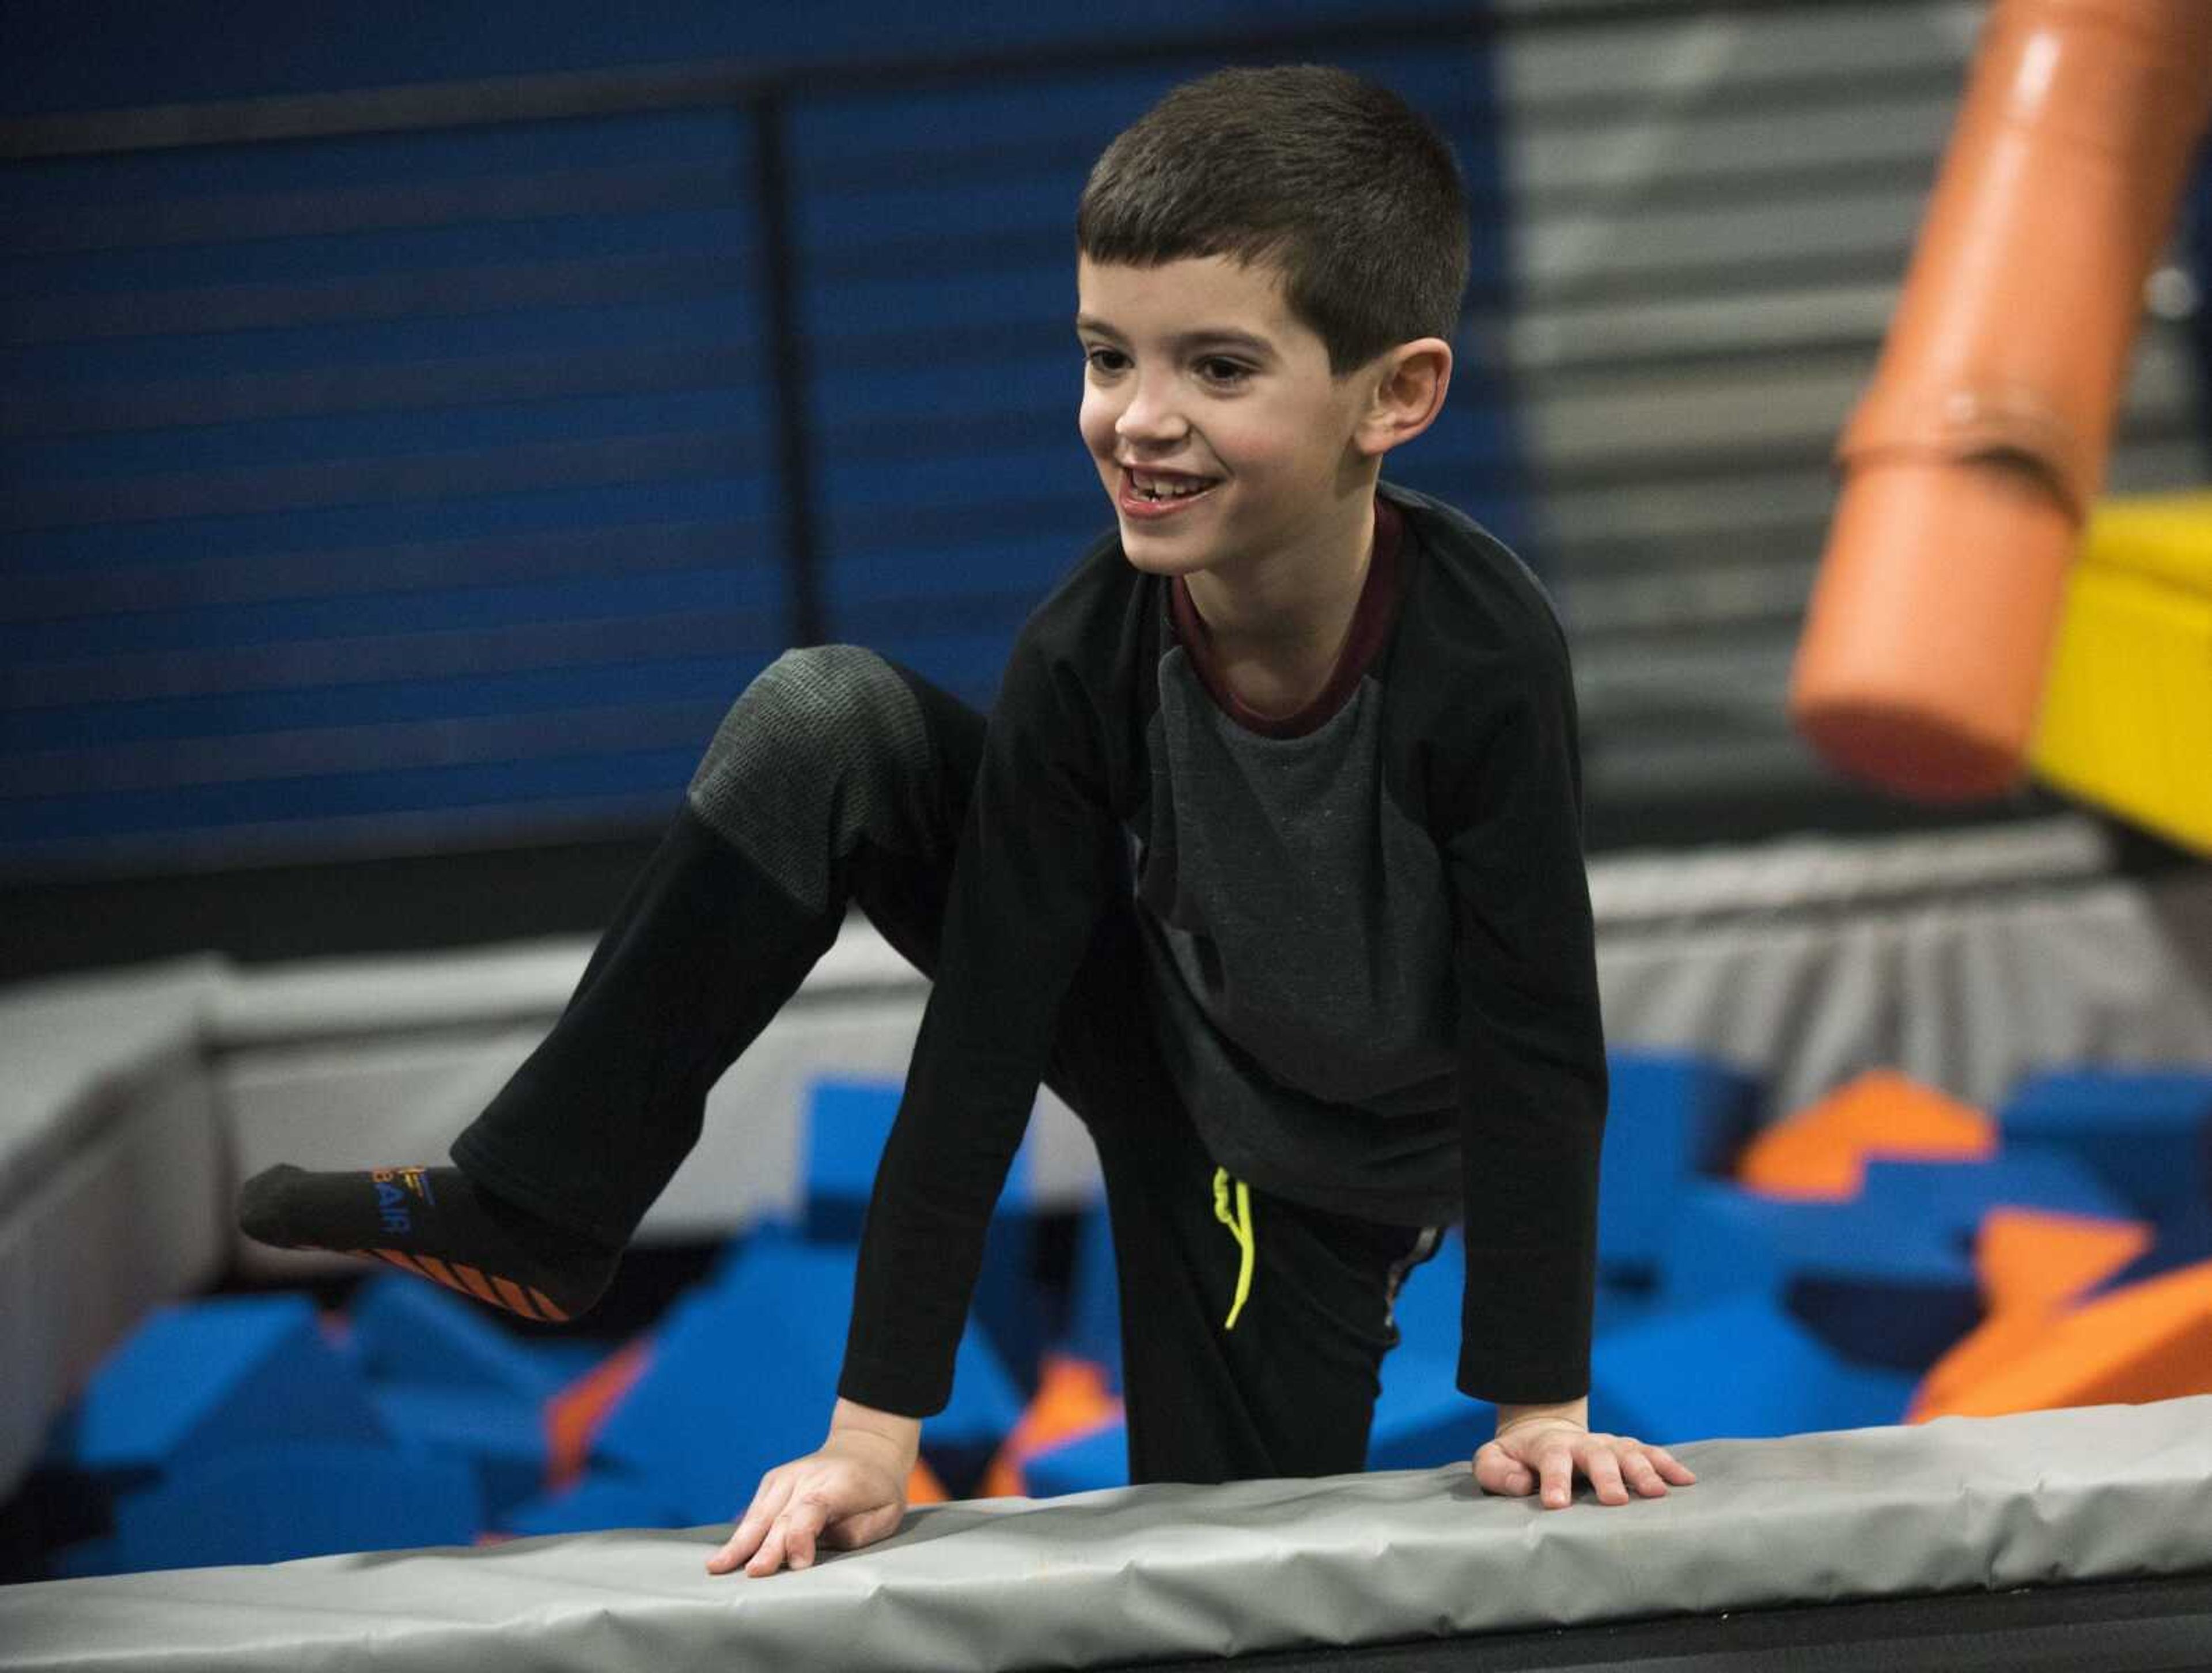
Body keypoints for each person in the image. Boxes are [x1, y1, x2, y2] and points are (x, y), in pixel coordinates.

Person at [238, 63, 1695, 1580]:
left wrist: (1542, 1402)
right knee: (830, 724)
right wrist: (876, 1432)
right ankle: (541, 1203)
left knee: (1232, 1578)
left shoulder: (1475, 654)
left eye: (1217, 369)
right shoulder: (1089, 647)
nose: (1137, 421)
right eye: (1103, 356)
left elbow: (1534, 1027)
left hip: (1320, 1184)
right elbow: (990, 1029)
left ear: (1396, 395)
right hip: (1162, 1041)